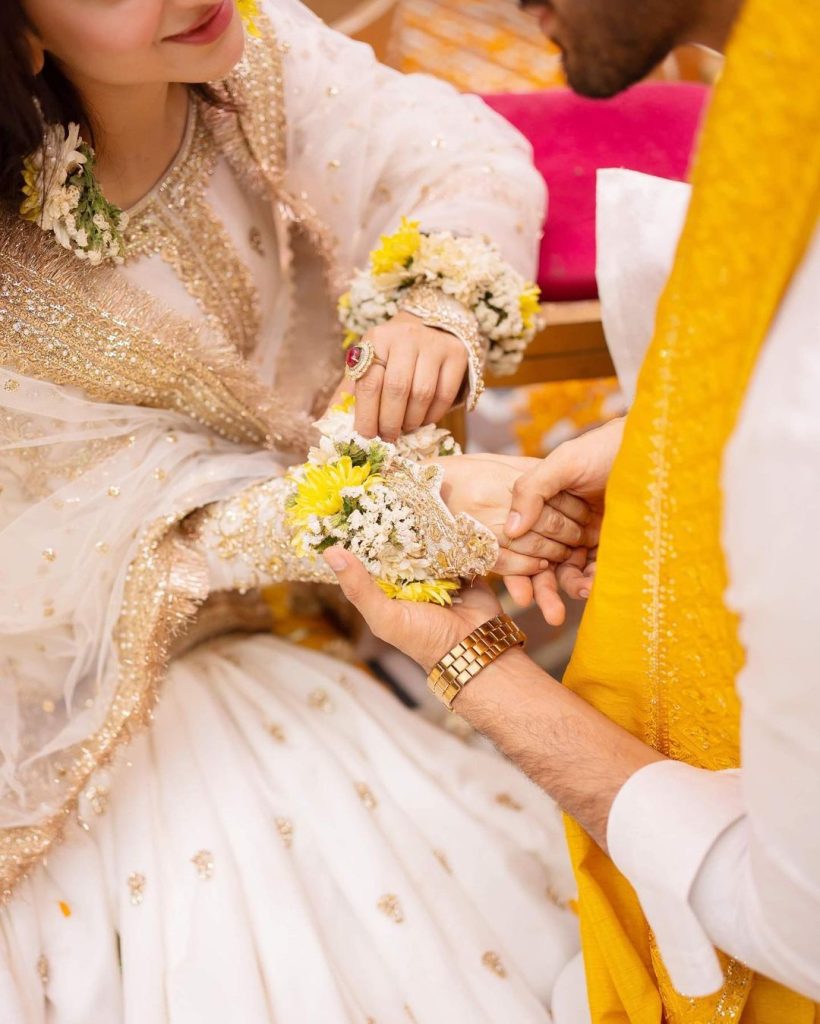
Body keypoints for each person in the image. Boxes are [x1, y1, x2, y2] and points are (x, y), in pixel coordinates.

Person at [0, 1, 588, 1019]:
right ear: (20, 38)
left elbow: (458, 152)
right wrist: (412, 507)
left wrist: (434, 303)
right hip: (126, 673)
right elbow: (129, 536)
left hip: (321, 607)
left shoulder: (244, 47)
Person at [326, 0, 820, 1021]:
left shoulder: (791, 416)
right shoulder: (779, 81)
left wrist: (475, 666)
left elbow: (796, 924)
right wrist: (661, 451)